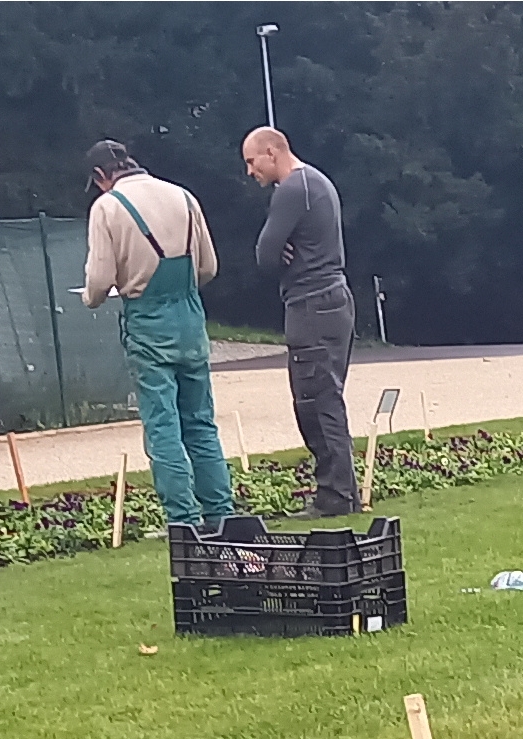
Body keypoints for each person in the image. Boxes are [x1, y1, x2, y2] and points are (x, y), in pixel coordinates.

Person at [81, 139, 233, 532]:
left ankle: (182, 519)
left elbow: (99, 282)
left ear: (101, 176)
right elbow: (208, 267)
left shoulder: (108, 207)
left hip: (148, 323)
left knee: (163, 424)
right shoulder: (183, 196)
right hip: (189, 317)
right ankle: (221, 513)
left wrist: (91, 297)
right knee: (200, 422)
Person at [241, 126, 356, 517]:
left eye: (252, 162)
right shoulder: (317, 183)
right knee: (323, 397)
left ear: (272, 152)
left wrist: (279, 247)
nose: (250, 172)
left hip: (312, 305)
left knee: (316, 401)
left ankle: (336, 496)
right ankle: (338, 492)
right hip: (331, 301)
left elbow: (264, 255)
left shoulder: (292, 189)